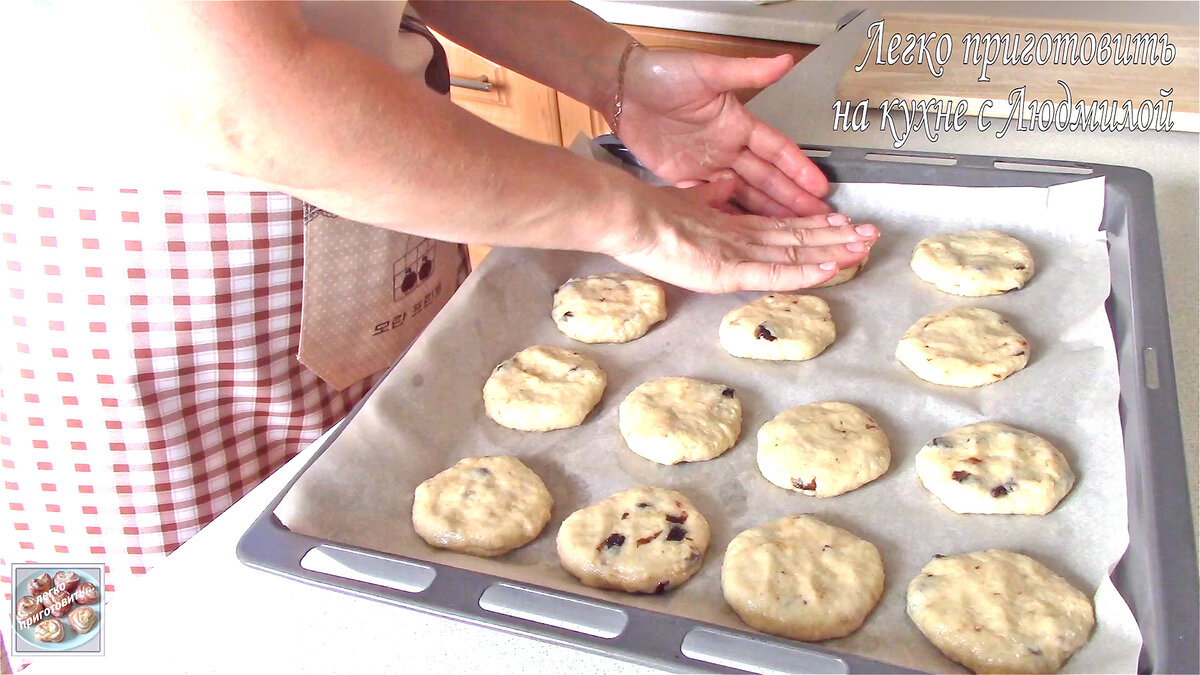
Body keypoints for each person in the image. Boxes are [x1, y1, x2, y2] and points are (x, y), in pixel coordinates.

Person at [0, 0, 877, 619]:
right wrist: (625, 212)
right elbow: (233, 97)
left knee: (356, 582)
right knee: (143, 621)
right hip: (150, 276)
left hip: (387, 192)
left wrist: (616, 74)